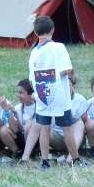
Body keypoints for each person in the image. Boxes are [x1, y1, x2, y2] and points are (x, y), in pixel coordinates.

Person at [24, 16, 82, 169]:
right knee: (67, 128)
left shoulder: (34, 52)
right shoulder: (58, 47)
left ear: (35, 33)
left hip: (42, 95)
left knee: (44, 128)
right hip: (59, 96)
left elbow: (31, 80)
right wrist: (72, 70)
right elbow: (65, 70)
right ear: (53, 30)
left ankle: (45, 161)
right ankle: (75, 159)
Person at [50, 72, 87, 158]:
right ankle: (41, 154)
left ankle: (72, 156)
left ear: (74, 87)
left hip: (74, 137)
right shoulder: (52, 99)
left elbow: (85, 121)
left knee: (80, 124)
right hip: (57, 137)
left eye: (67, 85)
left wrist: (80, 118)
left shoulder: (80, 100)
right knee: (43, 126)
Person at [11, 80, 38, 159]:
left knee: (28, 126)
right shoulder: (18, 108)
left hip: (36, 138)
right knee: (4, 131)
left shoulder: (39, 107)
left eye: (21, 92)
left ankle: (30, 153)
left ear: (31, 94)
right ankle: (18, 152)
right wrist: (15, 115)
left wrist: (29, 123)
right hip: (22, 136)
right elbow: (18, 130)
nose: (18, 95)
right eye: (17, 92)